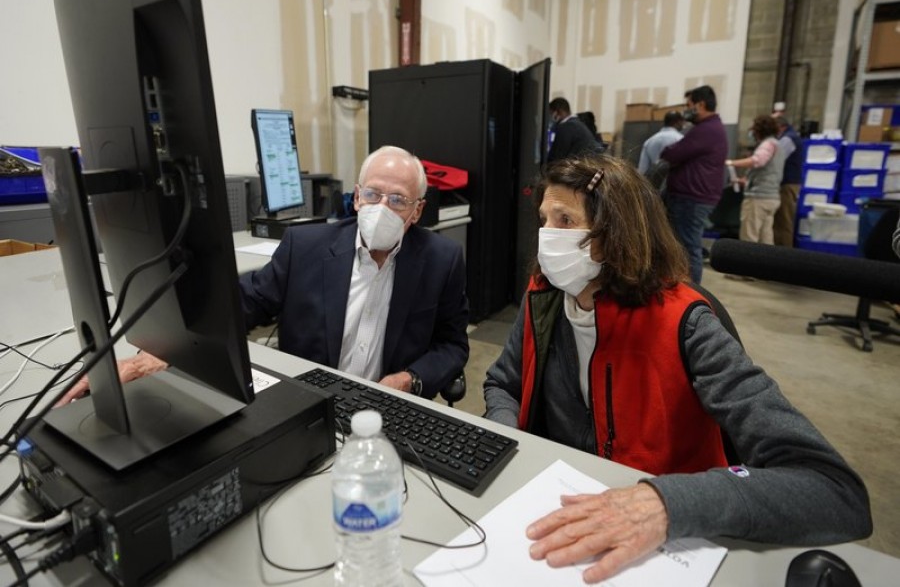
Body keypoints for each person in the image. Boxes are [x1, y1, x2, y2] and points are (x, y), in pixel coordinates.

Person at [482, 155, 872, 584]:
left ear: (615, 234)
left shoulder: (685, 323)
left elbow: (833, 489)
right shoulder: (545, 296)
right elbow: (503, 382)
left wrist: (665, 504)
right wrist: (513, 451)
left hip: (662, 532)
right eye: (544, 220)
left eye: (565, 220)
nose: (547, 237)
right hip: (557, 511)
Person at [59, 146, 469, 404]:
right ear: (357, 197)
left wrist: (409, 381)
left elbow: (452, 346)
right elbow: (240, 305)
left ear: (417, 211)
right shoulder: (305, 247)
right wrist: (167, 350)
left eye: (397, 200)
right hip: (309, 401)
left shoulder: (442, 260)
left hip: (389, 408)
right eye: (373, 194)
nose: (382, 206)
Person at [660, 85, 729, 284]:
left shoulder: (706, 130)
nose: (686, 109)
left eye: (688, 105)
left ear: (700, 104)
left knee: (689, 248)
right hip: (691, 196)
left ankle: (692, 292)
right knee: (684, 245)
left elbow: (673, 153)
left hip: (692, 198)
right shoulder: (707, 128)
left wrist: (672, 152)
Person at [726, 115, 785, 245]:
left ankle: (747, 264)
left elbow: (757, 161)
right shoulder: (778, 144)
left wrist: (731, 163)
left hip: (758, 198)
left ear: (759, 130)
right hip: (772, 197)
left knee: (749, 237)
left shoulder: (767, 144)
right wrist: (745, 181)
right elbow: (769, 171)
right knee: (766, 237)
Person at [773, 116, 803, 247]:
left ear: (780, 126)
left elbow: (775, 159)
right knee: (780, 220)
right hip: (788, 183)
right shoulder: (789, 136)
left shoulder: (788, 139)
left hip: (787, 184)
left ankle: (785, 253)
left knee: (784, 221)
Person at [637, 110, 684, 189]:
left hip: (654, 187)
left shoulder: (649, 141)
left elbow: (642, 170)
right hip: (674, 188)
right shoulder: (681, 140)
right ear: (678, 122)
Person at [548, 98, 602, 163]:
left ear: (558, 112)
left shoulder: (566, 127)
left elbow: (557, 157)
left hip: (586, 165)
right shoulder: (576, 123)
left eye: (551, 113)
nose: (550, 117)